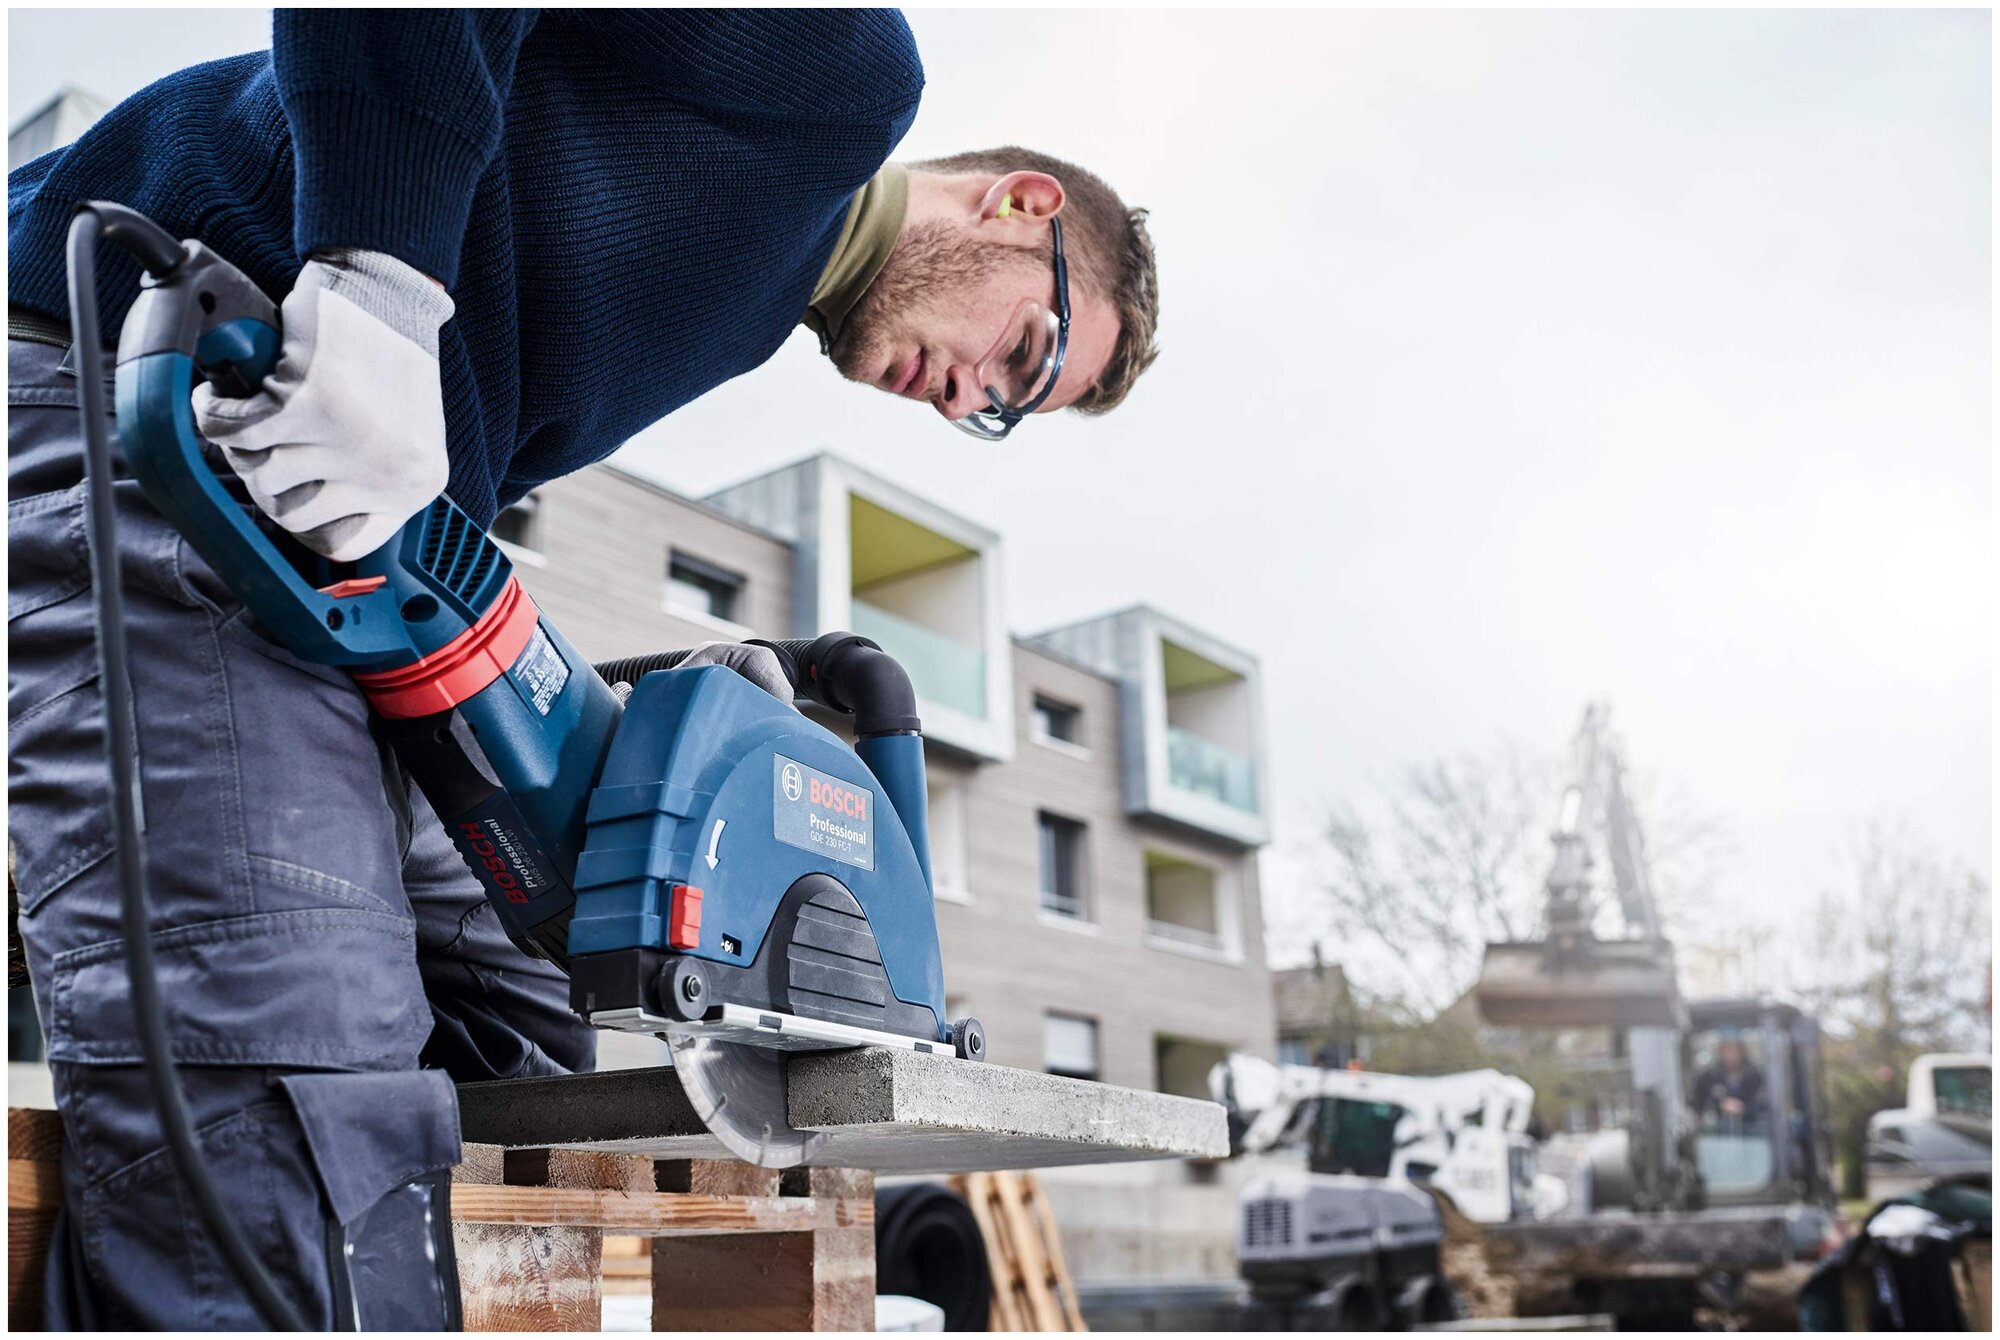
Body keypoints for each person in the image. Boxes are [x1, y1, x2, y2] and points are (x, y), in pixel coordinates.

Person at [6, 10, 1161, 1327]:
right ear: (1022, 206)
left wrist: (641, 722)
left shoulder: (743, 298)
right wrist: (382, 271)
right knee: (289, 1059)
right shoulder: (843, 77)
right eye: (1020, 352)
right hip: (165, 390)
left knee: (534, 1019)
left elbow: (429, 497)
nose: (972, 402)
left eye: (1005, 412)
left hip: (312, 543)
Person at [1692, 1035, 1768, 1123]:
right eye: (1727, 1049)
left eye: (1735, 1049)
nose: (1731, 1053)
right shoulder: (1708, 1076)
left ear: (1742, 1051)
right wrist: (1720, 1105)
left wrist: (1743, 1107)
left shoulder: (1755, 1076)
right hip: (1715, 1131)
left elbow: (1762, 1104)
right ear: (1720, 1051)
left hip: (1752, 1129)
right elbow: (1699, 1105)